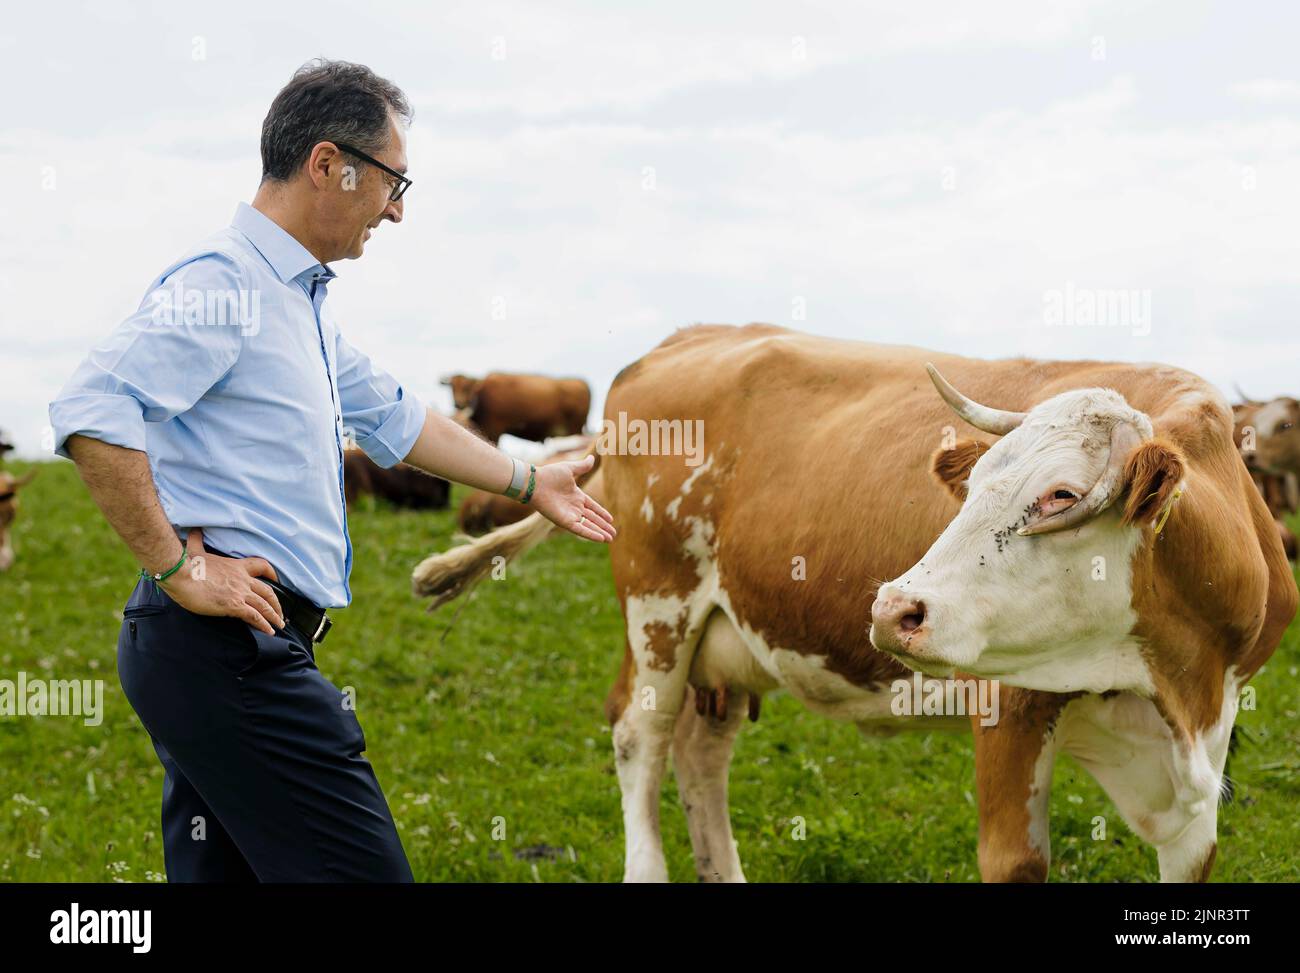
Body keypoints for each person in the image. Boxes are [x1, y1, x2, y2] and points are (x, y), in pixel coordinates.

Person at [48, 59, 615, 882]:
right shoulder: (225, 284)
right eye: (393, 180)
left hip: (222, 652)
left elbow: (394, 415)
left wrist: (532, 483)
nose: (397, 209)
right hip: (227, 652)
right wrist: (175, 564)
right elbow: (93, 408)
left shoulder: (297, 300)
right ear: (327, 164)